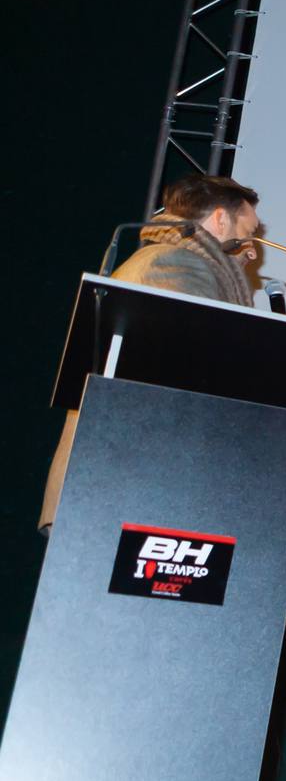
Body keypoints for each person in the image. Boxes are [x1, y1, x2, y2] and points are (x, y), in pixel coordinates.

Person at [39, 174, 263, 532]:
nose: (251, 248)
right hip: (127, 479)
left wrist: (234, 267)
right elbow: (193, 368)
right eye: (247, 233)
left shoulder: (169, 259)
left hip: (123, 481)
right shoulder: (174, 264)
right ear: (221, 219)